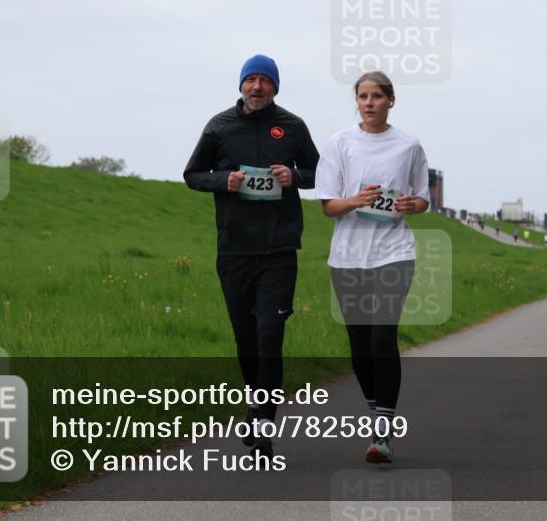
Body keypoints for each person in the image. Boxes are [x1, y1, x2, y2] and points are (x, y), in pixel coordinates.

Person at [183, 54, 320, 459]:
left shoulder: (293, 127)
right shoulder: (220, 125)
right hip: (234, 249)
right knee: (246, 339)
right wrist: (223, 181)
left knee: (269, 336)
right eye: (251, 80)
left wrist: (294, 177)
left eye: (264, 81)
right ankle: (255, 400)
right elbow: (192, 174)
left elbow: (319, 172)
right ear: (241, 85)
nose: (257, 87)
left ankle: (262, 421)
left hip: (279, 248)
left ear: (275, 87)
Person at [316, 71, 430, 464]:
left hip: (393, 252)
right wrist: (356, 200)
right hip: (348, 256)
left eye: (377, 96)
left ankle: (382, 430)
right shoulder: (339, 144)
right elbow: (328, 205)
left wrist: (412, 205)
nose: (369, 102)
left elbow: (422, 199)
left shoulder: (409, 146)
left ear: (391, 100)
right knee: (360, 345)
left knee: (383, 338)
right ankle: (375, 410)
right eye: (363, 96)